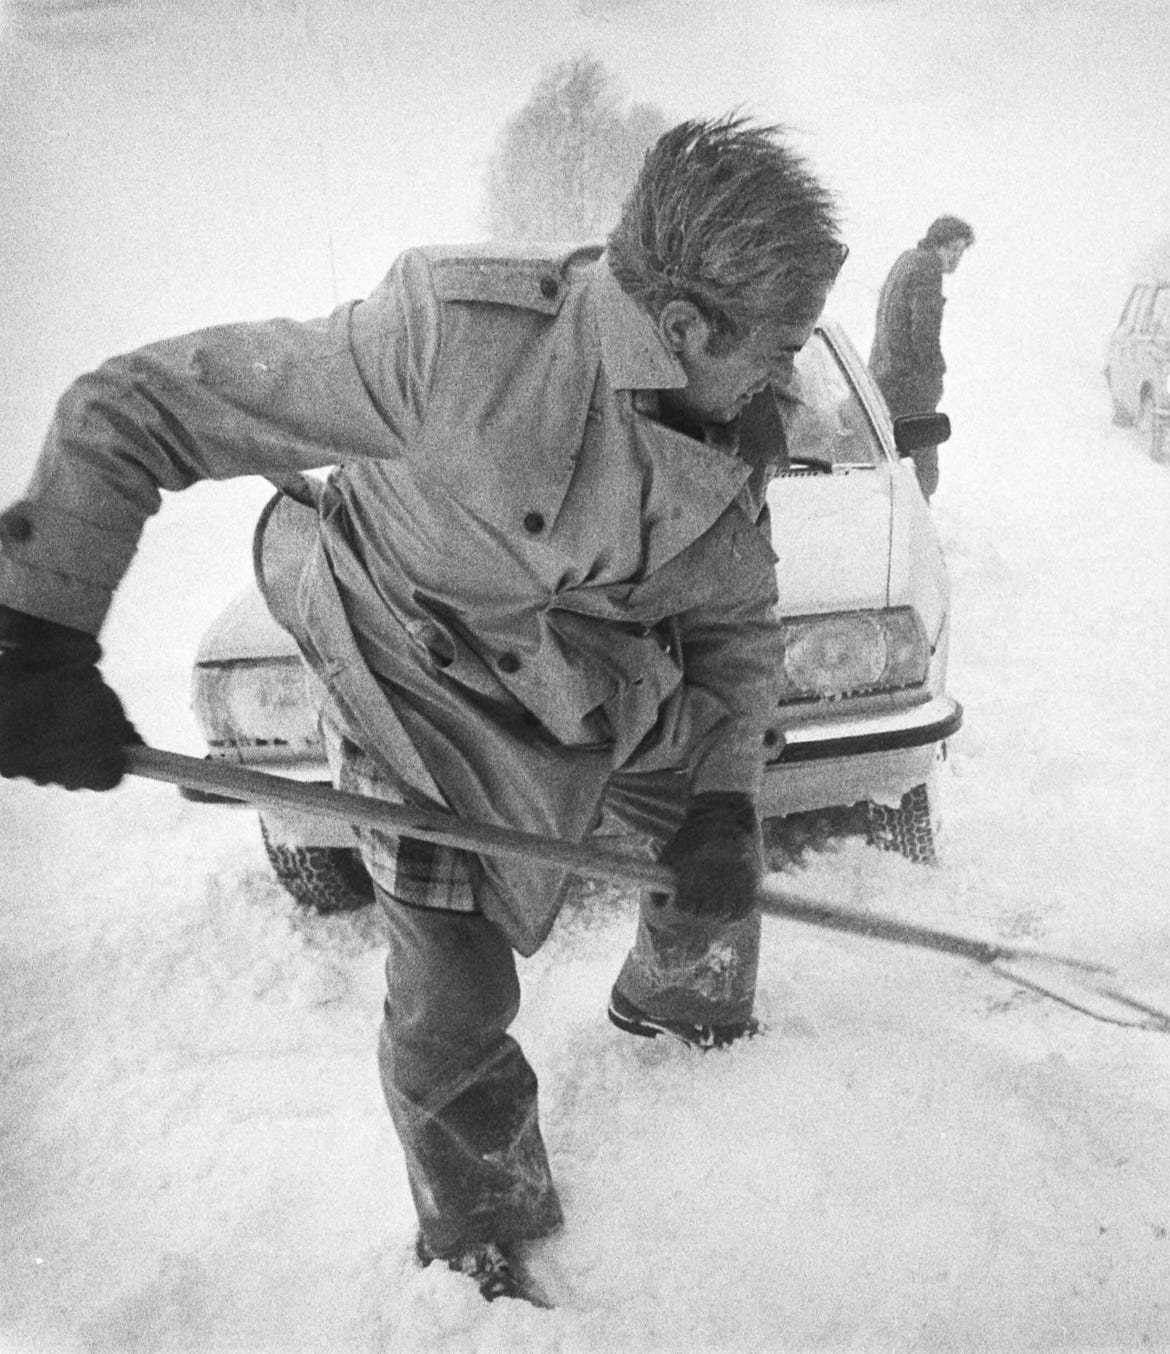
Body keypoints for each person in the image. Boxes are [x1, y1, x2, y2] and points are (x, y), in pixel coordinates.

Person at [0, 115, 846, 1302]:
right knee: (451, 993)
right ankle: (478, 1226)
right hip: (414, 682)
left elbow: (734, 632)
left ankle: (681, 1007)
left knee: (719, 836)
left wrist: (721, 803)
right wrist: (36, 636)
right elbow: (136, 406)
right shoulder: (453, 344)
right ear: (686, 325)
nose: (785, 377)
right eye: (778, 346)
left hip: (593, 682)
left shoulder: (732, 430)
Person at [869, 214, 973, 499]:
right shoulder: (928, 269)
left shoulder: (907, 260)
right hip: (908, 386)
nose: (956, 258)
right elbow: (924, 333)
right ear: (937, 245)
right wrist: (935, 375)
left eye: (961, 251)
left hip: (882, 377)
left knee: (889, 461)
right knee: (922, 474)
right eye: (952, 249)